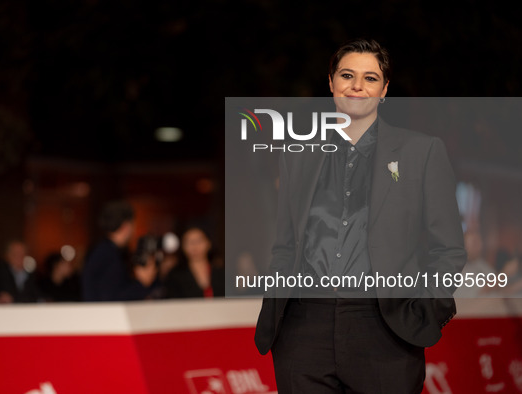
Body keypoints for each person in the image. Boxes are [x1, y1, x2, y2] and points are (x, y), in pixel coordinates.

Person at [254, 38, 466, 393]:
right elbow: (285, 245)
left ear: (384, 90)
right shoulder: (298, 155)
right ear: (331, 82)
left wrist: (427, 310)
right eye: (347, 75)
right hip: (303, 330)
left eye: (370, 78)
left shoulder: (421, 152)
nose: (357, 86)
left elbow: (449, 250)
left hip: (386, 328)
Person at [82, 201, 158, 301]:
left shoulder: (103, 250)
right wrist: (142, 283)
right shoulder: (108, 255)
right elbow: (112, 297)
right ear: (126, 226)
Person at [165, 226, 224, 298]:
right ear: (183, 246)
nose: (195, 246)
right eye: (189, 242)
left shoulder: (222, 272)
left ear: (208, 243)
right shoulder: (175, 275)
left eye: (199, 241)